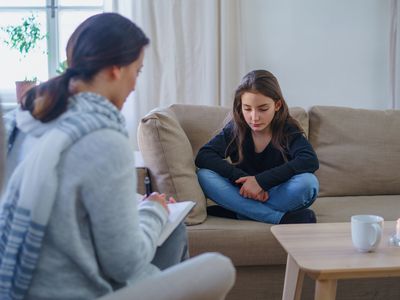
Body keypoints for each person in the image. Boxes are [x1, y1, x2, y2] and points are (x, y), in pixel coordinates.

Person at [0, 13, 188, 300]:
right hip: (72, 292)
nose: (135, 85)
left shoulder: (22, 121)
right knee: (188, 242)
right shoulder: (105, 139)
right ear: (116, 69)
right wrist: (155, 210)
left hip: (14, 284)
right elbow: (125, 263)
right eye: (136, 72)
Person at [195, 70, 319, 224]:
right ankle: (277, 218)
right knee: (204, 175)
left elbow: (309, 160)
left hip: (277, 193)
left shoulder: (287, 129)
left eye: (263, 109)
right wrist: (243, 181)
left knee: (308, 183)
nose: (254, 117)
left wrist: (260, 182)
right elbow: (204, 155)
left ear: (277, 105)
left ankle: (240, 211)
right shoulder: (236, 128)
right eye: (247, 109)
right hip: (242, 192)